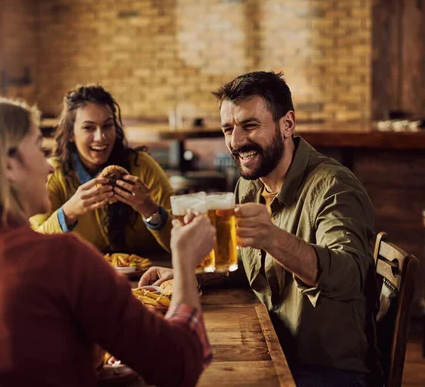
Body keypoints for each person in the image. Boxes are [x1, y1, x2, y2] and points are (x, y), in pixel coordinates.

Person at [0, 100, 214, 387]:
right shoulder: (61, 258)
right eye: (40, 148)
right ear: (8, 165)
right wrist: (186, 263)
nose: (48, 167)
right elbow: (178, 363)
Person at [141, 71, 381, 386]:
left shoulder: (334, 186)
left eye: (250, 125)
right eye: (228, 129)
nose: (237, 141)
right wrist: (189, 274)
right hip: (273, 347)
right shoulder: (248, 187)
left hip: (328, 370)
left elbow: (350, 276)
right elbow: (246, 266)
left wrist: (273, 238)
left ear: (288, 124)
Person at [30, 84, 173, 255]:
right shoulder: (53, 174)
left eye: (107, 126)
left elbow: (183, 242)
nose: (100, 137)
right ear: (70, 134)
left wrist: (150, 210)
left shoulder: (141, 166)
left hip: (150, 278)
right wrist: (68, 213)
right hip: (81, 279)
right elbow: (33, 247)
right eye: (88, 128)